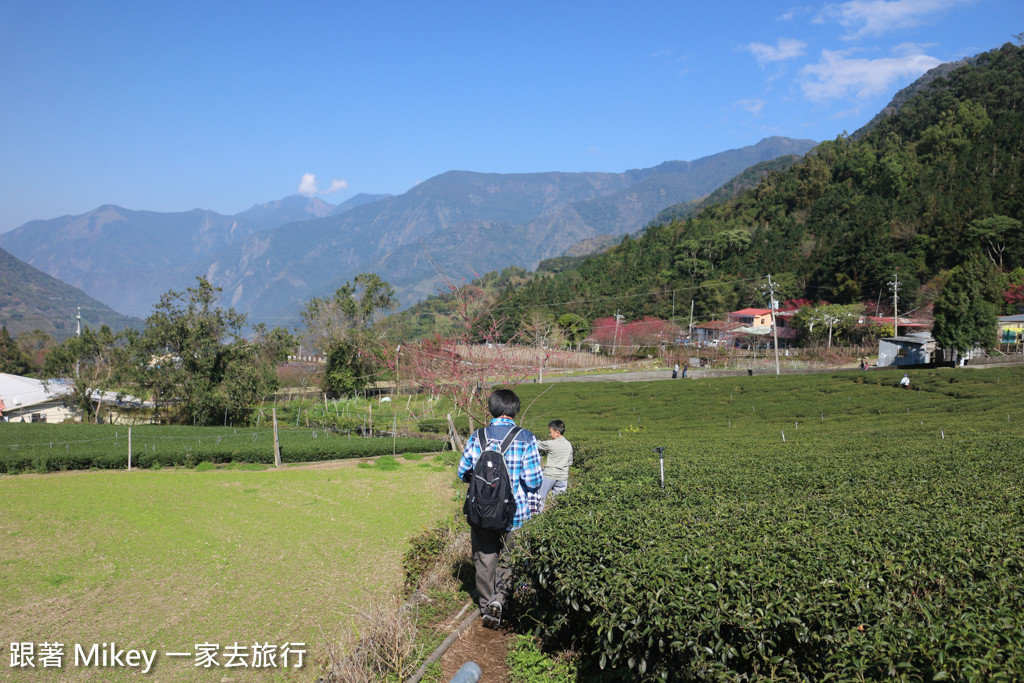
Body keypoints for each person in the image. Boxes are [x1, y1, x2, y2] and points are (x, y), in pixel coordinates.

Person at [457, 389, 542, 629]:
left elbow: (463, 471)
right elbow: (534, 481)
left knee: (484, 559)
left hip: (481, 513)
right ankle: (499, 600)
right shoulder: (526, 438)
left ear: (491, 409)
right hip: (514, 515)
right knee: (509, 559)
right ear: (515, 410)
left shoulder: (478, 436)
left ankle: (486, 608)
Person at [537, 419, 573, 513]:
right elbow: (570, 462)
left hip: (550, 475)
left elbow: (536, 444)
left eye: (550, 432)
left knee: (540, 498)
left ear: (557, 432)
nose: (549, 434)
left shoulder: (551, 443)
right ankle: (557, 517)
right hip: (563, 477)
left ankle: (535, 520)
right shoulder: (568, 444)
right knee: (559, 501)